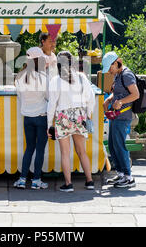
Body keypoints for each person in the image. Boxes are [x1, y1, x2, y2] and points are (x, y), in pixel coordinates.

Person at [47, 51, 95, 192]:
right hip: (79, 115)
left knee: (65, 153)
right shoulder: (81, 77)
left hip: (63, 117)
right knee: (82, 151)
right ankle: (90, 181)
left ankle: (68, 184)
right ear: (72, 62)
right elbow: (90, 99)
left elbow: (51, 105)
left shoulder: (55, 81)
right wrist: (88, 115)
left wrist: (49, 124)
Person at [102, 51, 140, 188]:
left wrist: (121, 102)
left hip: (123, 116)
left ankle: (129, 177)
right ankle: (121, 174)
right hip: (116, 115)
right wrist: (110, 99)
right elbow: (118, 91)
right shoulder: (118, 75)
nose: (110, 71)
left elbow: (135, 94)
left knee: (120, 146)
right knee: (113, 145)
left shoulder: (127, 75)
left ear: (116, 63)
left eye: (110, 68)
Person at [13, 47, 49, 190]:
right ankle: (36, 180)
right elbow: (49, 97)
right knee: (40, 149)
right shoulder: (44, 77)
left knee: (29, 148)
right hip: (41, 117)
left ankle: (22, 179)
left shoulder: (20, 76)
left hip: (27, 117)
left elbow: (20, 97)